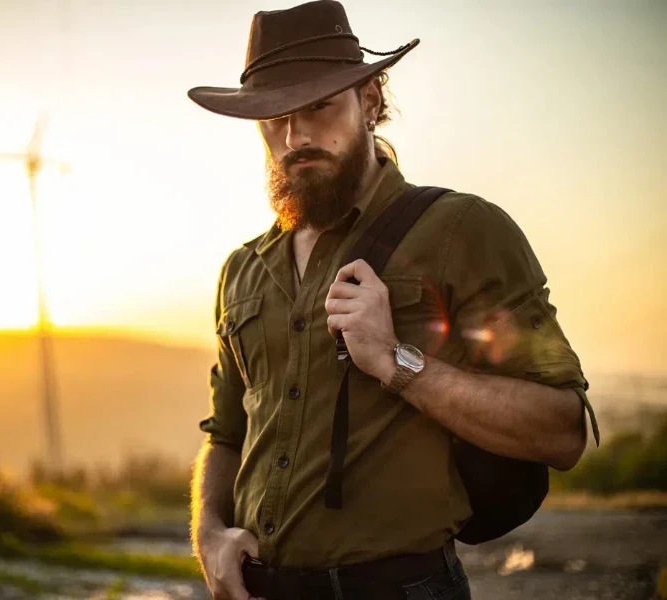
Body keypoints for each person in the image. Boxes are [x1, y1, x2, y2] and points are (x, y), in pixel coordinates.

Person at [186, 2, 599, 599]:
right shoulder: (242, 270)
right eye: (274, 116)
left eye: (318, 106)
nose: (295, 135)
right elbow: (226, 433)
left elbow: (562, 432)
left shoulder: (463, 231)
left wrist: (396, 361)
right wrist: (208, 535)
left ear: (371, 101)